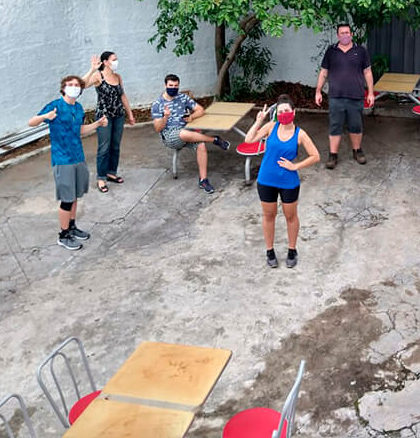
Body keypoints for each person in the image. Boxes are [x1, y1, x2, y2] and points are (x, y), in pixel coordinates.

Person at [28, 76, 108, 251]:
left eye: (77, 85)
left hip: (78, 157)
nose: (74, 87)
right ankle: (63, 235)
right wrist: (45, 117)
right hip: (62, 159)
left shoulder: (78, 108)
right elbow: (31, 122)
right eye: (70, 85)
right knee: (67, 199)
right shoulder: (55, 106)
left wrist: (97, 124)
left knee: (75, 195)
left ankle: (72, 226)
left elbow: (80, 130)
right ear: (63, 88)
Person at [244, 96, 320, 269]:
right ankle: (269, 251)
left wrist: (296, 166)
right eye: (280, 112)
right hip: (266, 180)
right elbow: (249, 140)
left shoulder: (300, 133)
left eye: (287, 111)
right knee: (269, 215)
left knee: (291, 216)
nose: (284, 114)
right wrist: (259, 121)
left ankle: (292, 250)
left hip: (288, 182)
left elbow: (316, 156)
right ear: (276, 114)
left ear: (293, 112)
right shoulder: (271, 127)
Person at [151, 74, 230, 194]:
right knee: (183, 133)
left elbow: (201, 110)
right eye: (170, 85)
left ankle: (203, 180)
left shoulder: (182, 97)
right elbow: (157, 128)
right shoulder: (157, 104)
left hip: (188, 132)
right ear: (165, 85)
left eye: (176, 86)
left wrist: (191, 117)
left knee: (201, 145)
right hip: (170, 136)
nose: (173, 88)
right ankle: (214, 139)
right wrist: (166, 116)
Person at [315, 23, 375, 169]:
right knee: (335, 126)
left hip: (356, 96)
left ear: (351, 34)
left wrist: (371, 93)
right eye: (342, 33)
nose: (345, 35)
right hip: (336, 96)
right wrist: (318, 91)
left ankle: (357, 151)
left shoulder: (360, 51)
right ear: (338, 35)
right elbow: (324, 72)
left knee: (356, 125)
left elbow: (367, 72)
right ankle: (333, 155)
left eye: (347, 32)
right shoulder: (331, 51)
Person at [82, 51, 136, 193]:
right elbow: (81, 85)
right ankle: (101, 178)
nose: (116, 62)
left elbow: (122, 95)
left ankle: (111, 172)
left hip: (118, 115)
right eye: (114, 59)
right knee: (104, 147)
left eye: (116, 59)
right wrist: (92, 69)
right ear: (105, 62)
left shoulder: (117, 77)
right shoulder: (98, 76)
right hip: (103, 118)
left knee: (115, 146)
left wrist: (130, 114)